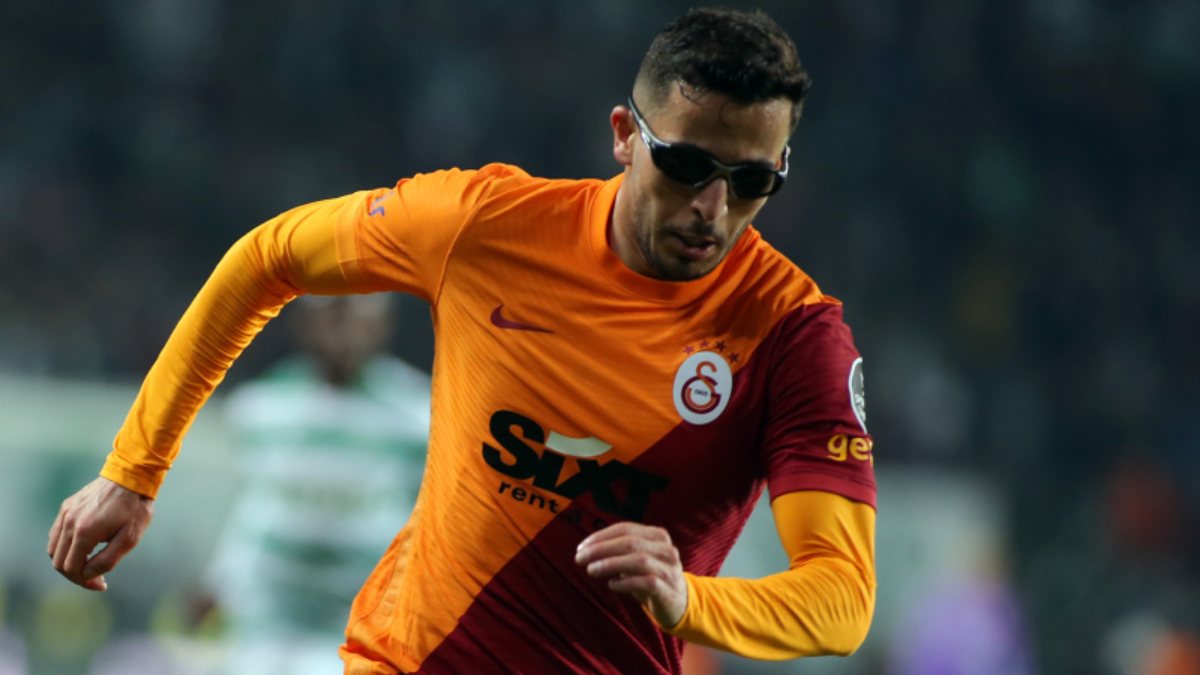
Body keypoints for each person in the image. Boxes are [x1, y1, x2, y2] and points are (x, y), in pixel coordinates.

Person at [48, 8, 877, 673]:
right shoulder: (487, 225)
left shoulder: (794, 335)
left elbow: (841, 598)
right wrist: (134, 470)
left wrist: (691, 599)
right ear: (626, 135)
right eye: (687, 166)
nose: (713, 208)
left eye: (752, 180)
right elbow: (268, 258)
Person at [204, 295, 430, 674]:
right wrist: (219, 579)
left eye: (355, 316)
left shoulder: (418, 417)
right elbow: (252, 504)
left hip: (361, 625)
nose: (341, 330)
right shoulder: (260, 408)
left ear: (382, 325)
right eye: (328, 315)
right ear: (303, 324)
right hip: (265, 620)